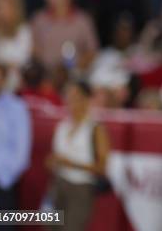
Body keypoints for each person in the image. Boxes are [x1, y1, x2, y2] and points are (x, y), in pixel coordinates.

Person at [46, 80, 110, 231]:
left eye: (75, 96)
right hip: (58, 184)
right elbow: (54, 158)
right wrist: (52, 162)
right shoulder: (62, 126)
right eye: (68, 96)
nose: (70, 100)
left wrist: (72, 164)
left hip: (80, 188)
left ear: (86, 99)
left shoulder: (95, 129)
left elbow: (102, 167)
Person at [31, 0, 99, 73]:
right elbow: (34, 50)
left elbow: (92, 51)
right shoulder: (39, 19)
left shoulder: (83, 21)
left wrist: (78, 65)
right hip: (46, 78)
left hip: (75, 76)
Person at [0, 61, 32, 217]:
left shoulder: (16, 107)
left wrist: (4, 177)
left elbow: (22, 150)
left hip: (2, 180)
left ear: (4, 79)